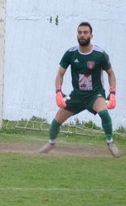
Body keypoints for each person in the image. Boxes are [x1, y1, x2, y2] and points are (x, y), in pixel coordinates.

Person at [40, 22, 119, 157]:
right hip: (77, 96)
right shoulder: (70, 53)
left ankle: (110, 142)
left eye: (85, 32)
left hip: (95, 95)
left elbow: (111, 73)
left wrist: (112, 94)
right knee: (56, 121)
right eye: (80, 32)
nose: (82, 35)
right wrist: (58, 92)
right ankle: (51, 143)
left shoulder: (100, 54)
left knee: (104, 114)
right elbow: (60, 74)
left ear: (91, 35)